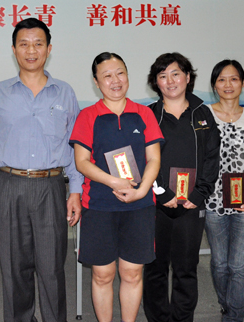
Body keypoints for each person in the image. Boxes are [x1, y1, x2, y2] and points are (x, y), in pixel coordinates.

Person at [0, 18, 83, 322]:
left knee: (52, 268)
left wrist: (75, 190)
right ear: (14, 50)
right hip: (9, 185)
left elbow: (75, 146)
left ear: (49, 49)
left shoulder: (64, 93)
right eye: (24, 44)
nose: (31, 51)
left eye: (38, 44)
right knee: (13, 268)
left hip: (51, 186)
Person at [70, 52, 163, 322]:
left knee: (132, 273)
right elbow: (81, 162)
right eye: (107, 75)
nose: (115, 80)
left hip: (139, 206)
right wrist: (114, 181)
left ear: (128, 76)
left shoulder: (144, 113)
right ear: (96, 82)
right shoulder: (88, 116)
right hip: (99, 206)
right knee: (103, 274)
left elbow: (154, 159)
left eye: (120, 73)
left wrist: (141, 191)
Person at [142, 53, 220, 322]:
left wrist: (199, 194)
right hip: (156, 204)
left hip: (191, 204)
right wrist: (160, 192)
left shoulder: (203, 113)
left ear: (187, 77)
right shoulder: (149, 114)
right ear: (156, 82)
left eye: (175, 74)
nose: (170, 81)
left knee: (186, 269)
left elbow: (212, 157)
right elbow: (142, 159)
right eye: (162, 76)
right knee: (155, 269)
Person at [205, 59, 244, 322]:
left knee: (239, 266)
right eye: (221, 79)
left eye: (233, 79)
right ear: (214, 85)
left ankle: (234, 317)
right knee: (220, 265)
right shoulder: (203, 116)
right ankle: (226, 305)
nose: (228, 84)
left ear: (242, 82)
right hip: (213, 201)